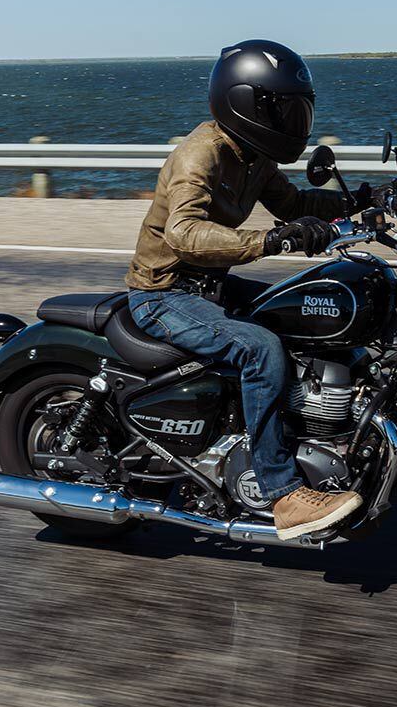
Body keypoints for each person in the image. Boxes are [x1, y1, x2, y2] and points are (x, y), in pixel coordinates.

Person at [124, 40, 371, 540]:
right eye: (282, 110)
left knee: (304, 311)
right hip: (164, 293)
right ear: (248, 104)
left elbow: (294, 201)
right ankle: (283, 495)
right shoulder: (202, 155)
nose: (290, 121)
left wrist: (361, 201)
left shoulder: (253, 155)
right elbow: (184, 233)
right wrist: (271, 240)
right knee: (262, 349)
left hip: (208, 287)